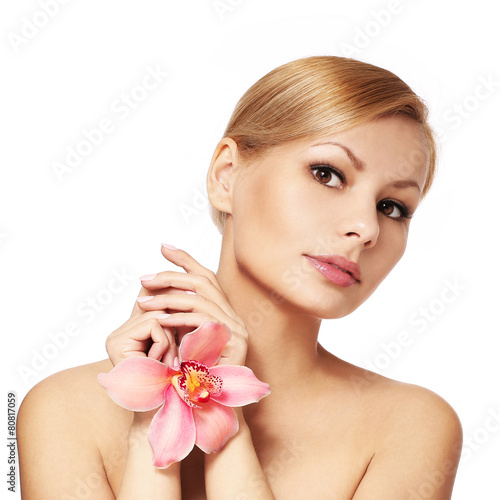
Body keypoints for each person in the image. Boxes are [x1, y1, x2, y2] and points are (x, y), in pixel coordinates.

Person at [17, 55, 462, 499]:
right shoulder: (62, 411)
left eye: (392, 207)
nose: (366, 228)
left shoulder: (410, 427)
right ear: (226, 176)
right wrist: (154, 418)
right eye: (328, 175)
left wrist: (221, 416)